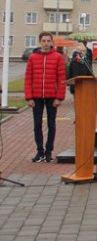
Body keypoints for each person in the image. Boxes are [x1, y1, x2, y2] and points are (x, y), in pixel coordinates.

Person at [24, 32, 66, 162]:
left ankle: (48, 151)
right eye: (44, 41)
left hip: (51, 96)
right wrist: (29, 97)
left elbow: (61, 79)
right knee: (37, 124)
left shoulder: (58, 57)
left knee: (51, 124)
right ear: (40, 42)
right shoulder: (33, 57)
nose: (46, 43)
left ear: (52, 42)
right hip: (36, 96)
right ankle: (39, 151)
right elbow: (28, 78)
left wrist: (59, 97)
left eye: (48, 41)